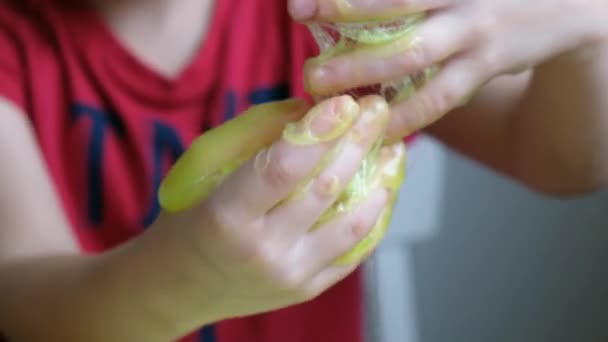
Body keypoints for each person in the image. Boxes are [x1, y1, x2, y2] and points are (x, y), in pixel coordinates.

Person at [0, 0, 606, 341]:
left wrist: (586, 33)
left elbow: (559, 160)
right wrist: (177, 284)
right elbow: (18, 299)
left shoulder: (331, 13)